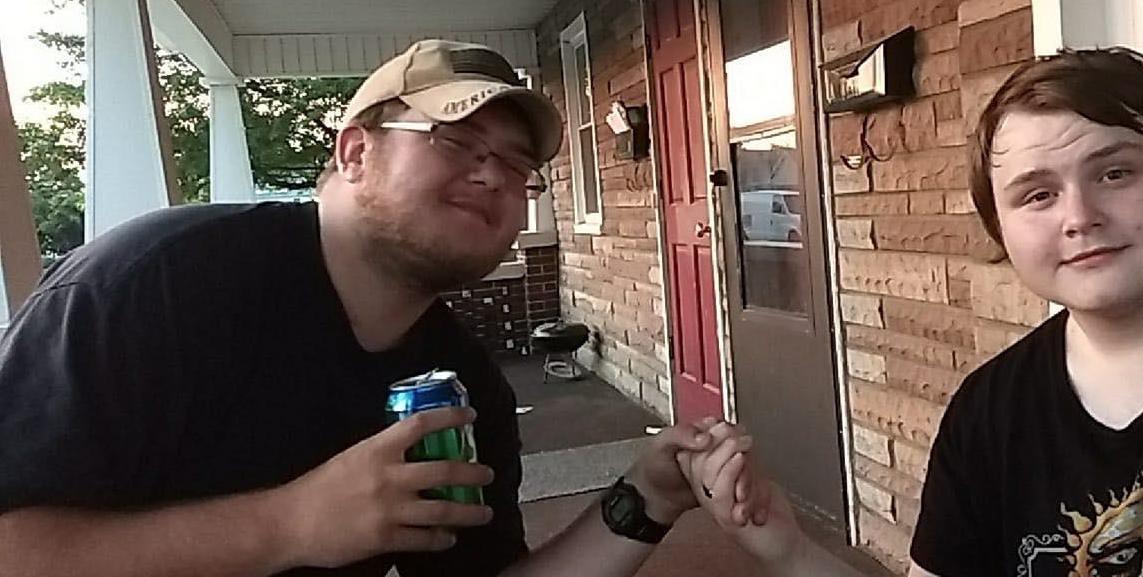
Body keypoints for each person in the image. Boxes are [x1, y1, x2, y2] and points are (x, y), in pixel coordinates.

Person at [0, 39, 761, 576]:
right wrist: (288, 524)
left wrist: (645, 498)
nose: (495, 178)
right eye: (457, 140)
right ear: (355, 152)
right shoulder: (153, 287)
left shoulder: (461, 384)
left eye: (518, 165)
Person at [682, 47, 1143, 576]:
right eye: (1037, 194)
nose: (1078, 216)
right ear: (1000, 230)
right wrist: (787, 549)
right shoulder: (991, 413)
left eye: (1114, 173)